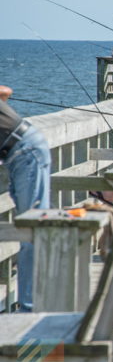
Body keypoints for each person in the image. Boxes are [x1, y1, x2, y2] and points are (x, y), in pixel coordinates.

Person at [0, 85, 50, 312]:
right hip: (17, 151)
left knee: (33, 231)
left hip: (25, 149)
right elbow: (6, 91)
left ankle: (31, 309)